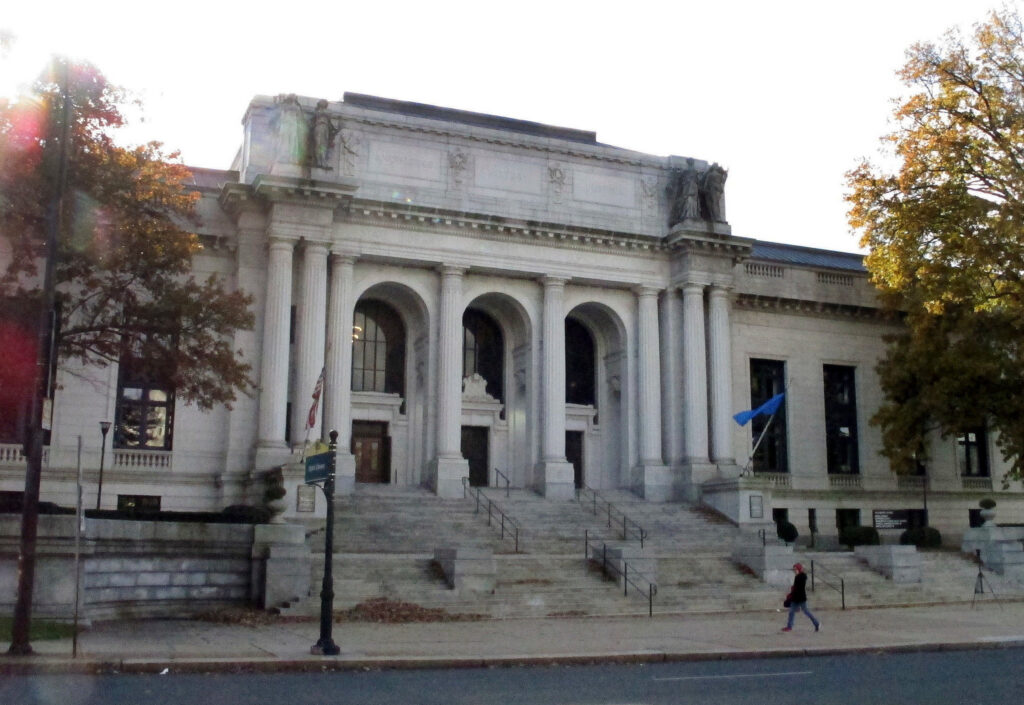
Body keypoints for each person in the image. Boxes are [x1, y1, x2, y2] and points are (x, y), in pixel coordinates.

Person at [782, 562, 820, 632]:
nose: (794, 571)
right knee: (792, 612)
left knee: (806, 612)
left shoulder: (800, 577)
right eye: (794, 570)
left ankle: (816, 623)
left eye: (795, 569)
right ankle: (789, 626)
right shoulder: (799, 576)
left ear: (799, 569)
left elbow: (798, 589)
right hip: (797, 598)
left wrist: (791, 594)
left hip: (800, 598)